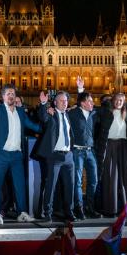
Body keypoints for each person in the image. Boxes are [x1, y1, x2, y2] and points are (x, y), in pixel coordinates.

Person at [0, 84, 41, 224]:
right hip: (0, 155)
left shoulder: (20, 112)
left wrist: (49, 123)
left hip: (17, 156)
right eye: (8, 94)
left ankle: (22, 212)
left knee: (20, 186)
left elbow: (34, 126)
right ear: (3, 96)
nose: (11, 96)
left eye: (13, 93)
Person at [33, 90, 75, 222]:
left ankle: (69, 212)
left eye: (66, 100)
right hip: (54, 156)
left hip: (68, 156)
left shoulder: (68, 115)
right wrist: (44, 103)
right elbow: (42, 118)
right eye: (62, 100)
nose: (65, 103)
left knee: (70, 186)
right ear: (55, 102)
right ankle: (48, 213)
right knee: (50, 185)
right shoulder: (50, 113)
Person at [68, 76, 102, 219]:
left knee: (93, 180)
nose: (92, 103)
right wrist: (80, 90)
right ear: (82, 103)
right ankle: (79, 208)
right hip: (77, 151)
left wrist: (82, 89)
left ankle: (90, 207)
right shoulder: (73, 112)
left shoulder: (94, 113)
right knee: (78, 181)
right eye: (89, 101)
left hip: (90, 151)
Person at [100, 93, 127, 217]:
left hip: (124, 146)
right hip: (110, 145)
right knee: (110, 177)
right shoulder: (106, 112)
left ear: (124, 102)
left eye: (121, 100)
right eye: (117, 100)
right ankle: (110, 209)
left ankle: (126, 208)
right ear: (112, 100)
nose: (119, 102)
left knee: (125, 177)